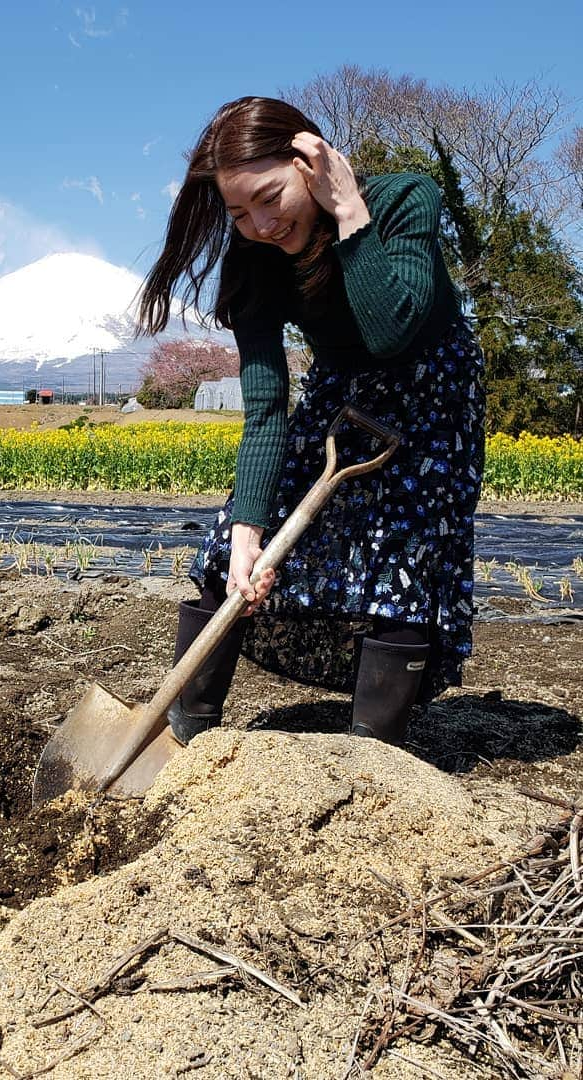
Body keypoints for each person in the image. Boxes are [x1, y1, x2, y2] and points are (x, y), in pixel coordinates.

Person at [137, 96, 485, 747]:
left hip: (431, 391)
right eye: (239, 213)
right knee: (227, 553)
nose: (262, 224)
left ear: (311, 160)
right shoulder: (255, 268)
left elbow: (390, 332)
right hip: (339, 397)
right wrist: (248, 535)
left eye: (270, 197)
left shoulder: (405, 200)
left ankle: (372, 753)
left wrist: (351, 212)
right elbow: (266, 411)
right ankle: (184, 737)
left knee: (401, 553)